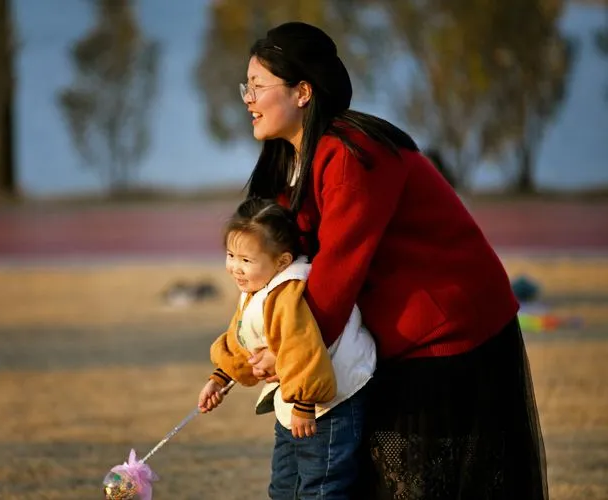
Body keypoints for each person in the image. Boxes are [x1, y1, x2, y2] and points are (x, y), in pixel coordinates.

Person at [238, 21, 549, 500]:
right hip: (388, 341)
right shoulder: (288, 162)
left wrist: (288, 351)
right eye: (247, 87)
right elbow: (283, 268)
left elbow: (338, 273)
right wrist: (251, 344)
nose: (248, 99)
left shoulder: (351, 152)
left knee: (419, 485)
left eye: (257, 86)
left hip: (448, 338)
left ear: (302, 92)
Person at [198, 197, 376, 499]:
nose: (235, 268)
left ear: (282, 261)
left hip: (326, 406)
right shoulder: (257, 288)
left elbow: (301, 349)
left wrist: (305, 405)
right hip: (295, 404)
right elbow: (242, 336)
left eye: (246, 260)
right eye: (231, 255)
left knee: (321, 487)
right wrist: (220, 378)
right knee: (284, 486)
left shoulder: (287, 295)